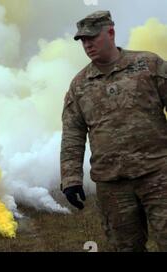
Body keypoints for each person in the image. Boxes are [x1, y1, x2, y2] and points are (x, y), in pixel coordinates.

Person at [61, 10, 167, 251]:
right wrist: (71, 178)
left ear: (110, 32)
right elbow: (72, 134)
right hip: (113, 186)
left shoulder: (148, 65)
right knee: (124, 247)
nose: (87, 45)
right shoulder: (80, 85)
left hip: (158, 175)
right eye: (83, 40)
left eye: (92, 38)